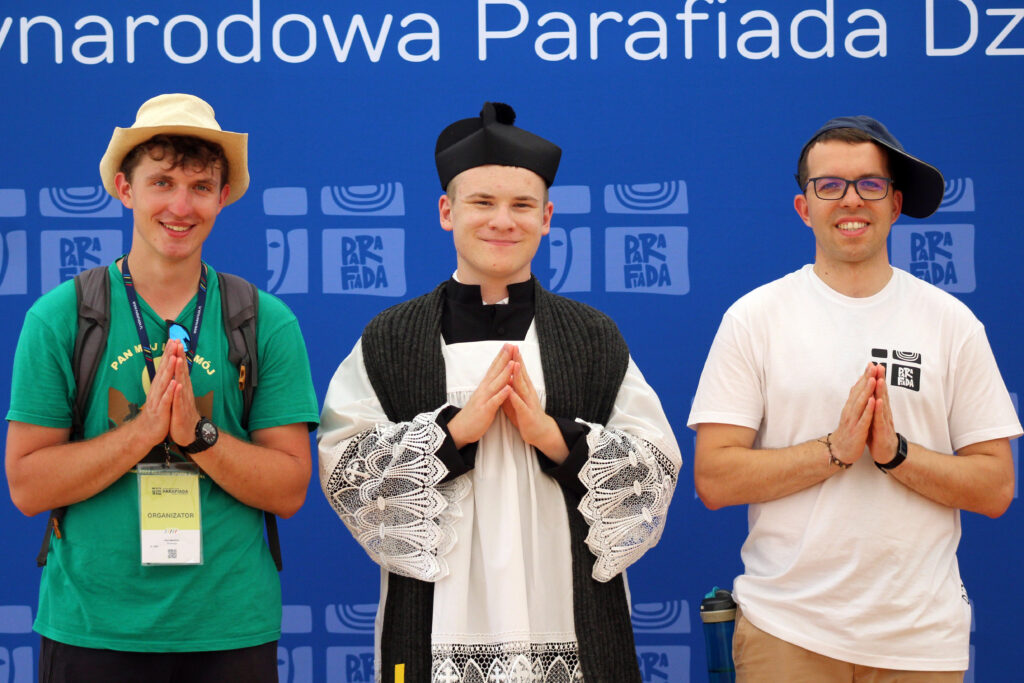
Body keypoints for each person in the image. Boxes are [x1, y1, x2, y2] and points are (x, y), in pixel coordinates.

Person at [318, 102, 681, 683]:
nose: (502, 221)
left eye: (522, 205)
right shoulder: (391, 337)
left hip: (566, 603)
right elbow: (345, 472)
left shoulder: (592, 335)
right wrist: (450, 436)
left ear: (547, 217)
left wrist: (555, 438)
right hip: (437, 610)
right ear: (447, 211)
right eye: (482, 203)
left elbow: (655, 470)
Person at [688, 115, 1021, 681]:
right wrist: (833, 451)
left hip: (920, 639)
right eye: (830, 185)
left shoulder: (951, 323)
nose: (851, 200)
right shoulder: (755, 319)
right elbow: (715, 479)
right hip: (787, 630)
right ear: (804, 207)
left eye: (870, 184)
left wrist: (896, 454)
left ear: (894, 204)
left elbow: (995, 488)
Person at [5, 93, 319, 682]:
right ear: (125, 189)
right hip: (91, 629)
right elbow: (26, 485)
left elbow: (289, 488)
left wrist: (197, 435)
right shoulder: (62, 317)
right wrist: (142, 433)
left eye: (201, 187)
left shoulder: (264, 321)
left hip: (229, 629)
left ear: (223, 196)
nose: (181, 206)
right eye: (162, 183)